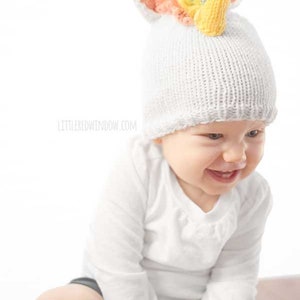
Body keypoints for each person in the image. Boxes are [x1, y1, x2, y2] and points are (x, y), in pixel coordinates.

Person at [37, 0, 277, 299]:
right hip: (113, 290)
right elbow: (115, 260)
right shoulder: (140, 165)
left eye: (253, 133)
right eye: (214, 135)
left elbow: (235, 274)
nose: (237, 155)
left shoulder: (253, 195)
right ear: (161, 132)